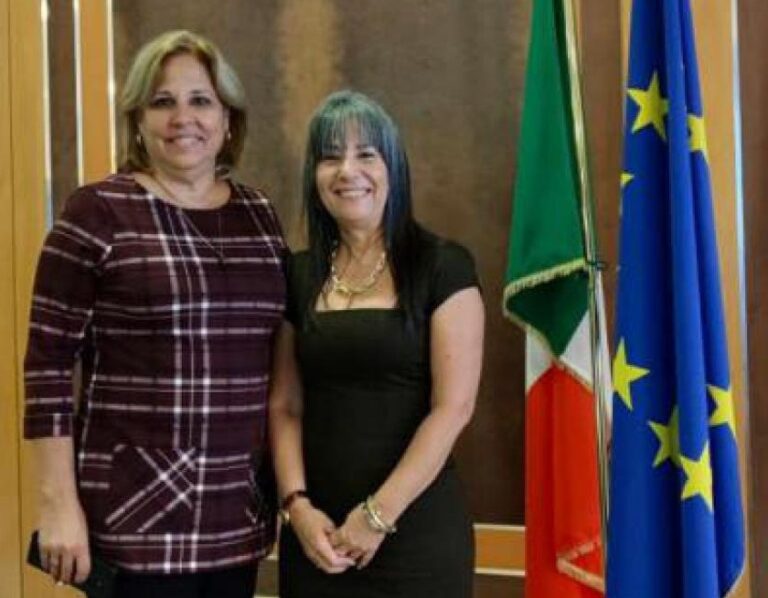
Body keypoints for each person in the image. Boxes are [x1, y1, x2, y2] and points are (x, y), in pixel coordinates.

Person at [23, 30, 285, 598]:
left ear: (228, 119)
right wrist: (57, 502)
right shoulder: (97, 211)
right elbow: (47, 366)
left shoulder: (259, 215)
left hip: (236, 515)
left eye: (201, 100)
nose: (182, 118)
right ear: (138, 120)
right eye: (162, 101)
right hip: (135, 517)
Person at [269, 90, 485, 598]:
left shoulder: (443, 265)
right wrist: (296, 507)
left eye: (366, 154)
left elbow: (453, 408)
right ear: (314, 176)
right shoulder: (296, 273)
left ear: (393, 168)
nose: (347, 171)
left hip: (415, 536)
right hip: (316, 539)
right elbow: (284, 406)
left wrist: (376, 517)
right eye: (330, 157)